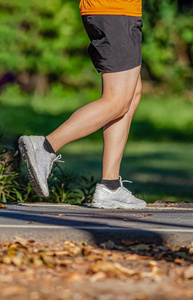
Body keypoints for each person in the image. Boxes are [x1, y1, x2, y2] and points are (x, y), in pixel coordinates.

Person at [18, 0, 146, 209]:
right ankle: (45, 146)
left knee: (131, 95)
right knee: (118, 100)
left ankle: (110, 186)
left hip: (114, 12)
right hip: (115, 12)